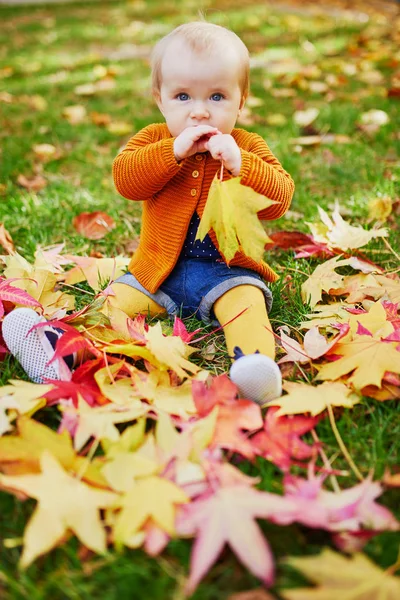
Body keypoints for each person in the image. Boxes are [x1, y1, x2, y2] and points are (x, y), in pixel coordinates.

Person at [3, 22, 294, 405]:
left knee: (247, 306)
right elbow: (126, 180)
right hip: (157, 271)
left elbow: (280, 198)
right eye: (184, 96)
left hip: (228, 271)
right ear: (161, 100)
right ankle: (64, 350)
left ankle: (254, 370)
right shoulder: (155, 140)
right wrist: (172, 153)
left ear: (241, 102)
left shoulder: (247, 146)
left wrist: (244, 165)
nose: (200, 112)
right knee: (115, 303)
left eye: (218, 97)